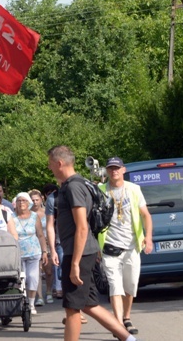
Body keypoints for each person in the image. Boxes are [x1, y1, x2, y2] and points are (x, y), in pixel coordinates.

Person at [47, 145, 139, 341]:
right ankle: (129, 338)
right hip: (83, 252)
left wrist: (74, 264)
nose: (49, 168)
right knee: (90, 305)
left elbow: (81, 227)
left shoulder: (73, 187)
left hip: (77, 253)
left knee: (72, 308)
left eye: (50, 164)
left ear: (59, 163)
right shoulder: (79, 184)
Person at [98, 157, 154, 336]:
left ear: (123, 170)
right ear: (107, 171)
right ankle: (119, 326)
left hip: (131, 246)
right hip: (110, 247)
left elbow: (146, 215)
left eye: (117, 168)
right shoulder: (100, 191)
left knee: (130, 286)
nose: (114, 171)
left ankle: (126, 317)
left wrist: (149, 238)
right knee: (115, 286)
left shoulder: (134, 189)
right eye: (111, 168)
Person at [13, 192, 49, 314]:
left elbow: (40, 234)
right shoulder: (11, 217)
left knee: (33, 277)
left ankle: (32, 303)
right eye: (19, 201)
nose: (21, 203)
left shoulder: (34, 216)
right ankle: (22, 302)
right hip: (17, 253)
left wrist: (44, 251)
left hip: (34, 251)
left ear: (28, 203)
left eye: (24, 201)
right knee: (21, 279)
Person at [29, 189, 53, 306]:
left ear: (41, 199)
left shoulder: (46, 212)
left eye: (37, 200)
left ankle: (48, 291)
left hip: (47, 244)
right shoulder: (28, 214)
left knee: (48, 271)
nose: (35, 202)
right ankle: (40, 296)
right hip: (33, 244)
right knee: (36, 272)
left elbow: (51, 227)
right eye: (32, 200)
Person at [44, 182, 66, 302]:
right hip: (60, 241)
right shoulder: (53, 199)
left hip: (80, 240)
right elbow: (50, 225)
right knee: (62, 267)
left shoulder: (80, 193)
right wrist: (52, 249)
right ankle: (61, 289)